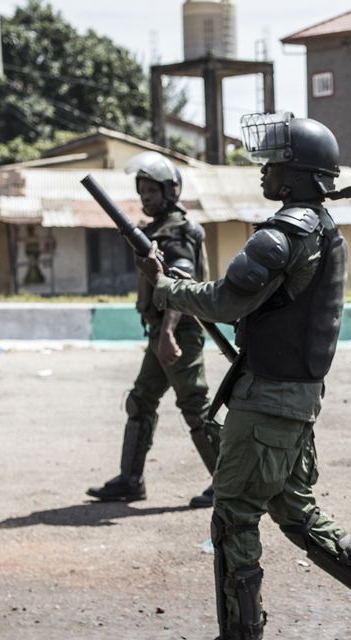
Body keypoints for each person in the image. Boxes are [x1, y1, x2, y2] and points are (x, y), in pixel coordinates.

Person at [140, 112, 351, 640]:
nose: (264, 172)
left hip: (269, 402)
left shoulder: (287, 230)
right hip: (292, 398)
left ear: (297, 175)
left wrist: (167, 285)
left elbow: (226, 300)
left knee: (233, 516)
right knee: (295, 512)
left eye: (274, 164)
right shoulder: (318, 228)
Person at [87, 151, 221, 508]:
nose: (146, 197)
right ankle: (131, 480)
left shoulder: (176, 231)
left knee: (195, 407)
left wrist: (168, 336)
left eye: (152, 191)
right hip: (162, 332)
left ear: (170, 192)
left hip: (178, 332)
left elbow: (180, 284)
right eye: (142, 190)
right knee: (140, 402)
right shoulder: (157, 230)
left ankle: (228, 483)